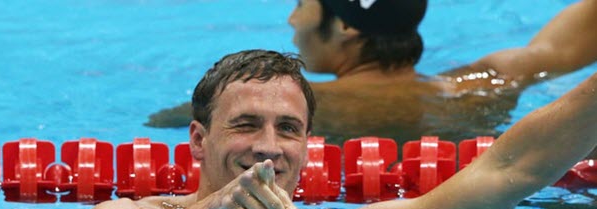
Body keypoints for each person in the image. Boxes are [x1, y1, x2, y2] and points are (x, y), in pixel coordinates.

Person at [81, 50, 597, 209]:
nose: (268, 147)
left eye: (288, 128)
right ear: (198, 139)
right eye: (246, 124)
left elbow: (506, 173)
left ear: (308, 144)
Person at [146, 0, 597, 146]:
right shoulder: (488, 83)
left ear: (344, 26)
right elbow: (560, 45)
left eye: (303, 4)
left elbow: (168, 120)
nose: (292, 20)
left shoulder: (297, 107)